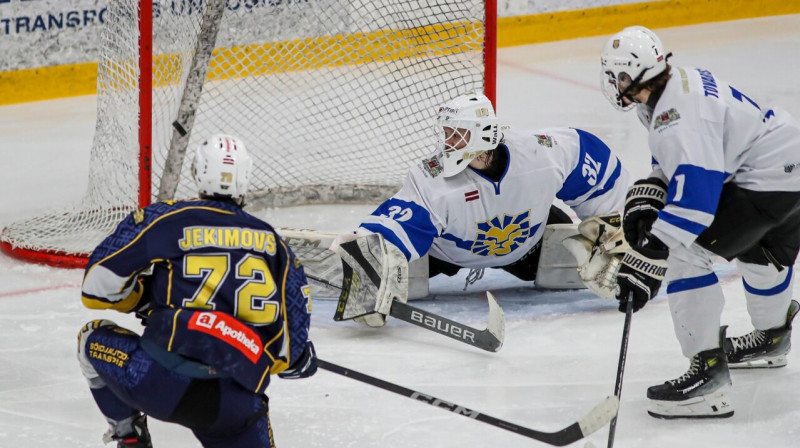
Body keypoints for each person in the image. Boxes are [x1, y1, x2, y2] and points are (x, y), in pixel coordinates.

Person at [600, 25, 800, 419]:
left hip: (763, 183)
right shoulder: (672, 86)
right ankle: (772, 338)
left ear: (628, 76)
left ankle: (707, 378)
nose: (613, 83)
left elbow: (695, 207)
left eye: (616, 75)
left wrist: (648, 260)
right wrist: (653, 187)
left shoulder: (675, 115)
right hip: (788, 167)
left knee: (685, 254)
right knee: (760, 251)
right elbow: (684, 160)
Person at [77, 134, 316, 448]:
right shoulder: (274, 243)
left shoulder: (165, 219)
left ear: (197, 172)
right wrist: (297, 359)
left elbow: (97, 287)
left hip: (156, 380)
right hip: (234, 405)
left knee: (89, 340)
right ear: (245, 178)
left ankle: (130, 439)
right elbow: (291, 351)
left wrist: (143, 299)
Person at [333, 90, 632, 325]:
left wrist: (618, 227)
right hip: (446, 254)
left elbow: (590, 157)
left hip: (528, 245)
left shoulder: (538, 154)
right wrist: (366, 250)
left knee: (568, 241)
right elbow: (400, 221)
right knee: (396, 264)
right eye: (447, 133)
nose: (448, 142)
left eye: (457, 134)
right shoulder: (433, 179)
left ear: (484, 134)